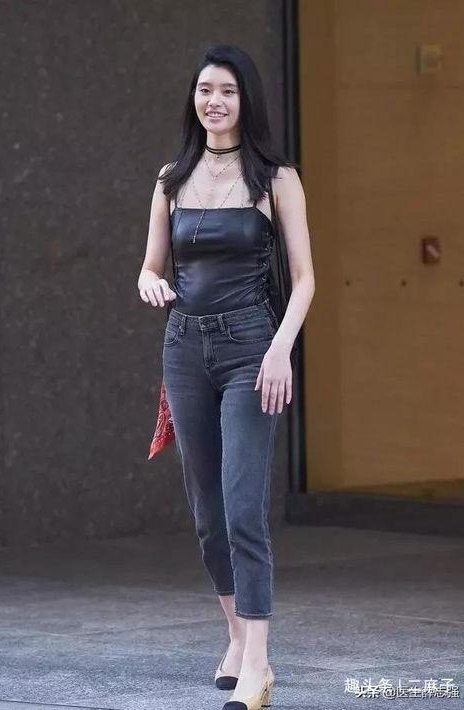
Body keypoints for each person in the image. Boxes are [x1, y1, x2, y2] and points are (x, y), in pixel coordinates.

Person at [138, 44, 314, 710]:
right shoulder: (170, 178)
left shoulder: (276, 178)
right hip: (184, 348)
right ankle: (236, 637)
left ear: (247, 101)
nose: (214, 101)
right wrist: (149, 282)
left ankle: (259, 667)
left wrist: (280, 349)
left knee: (242, 509)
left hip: (252, 350)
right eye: (205, 90)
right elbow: (151, 266)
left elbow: (305, 279)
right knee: (208, 516)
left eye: (228, 91)